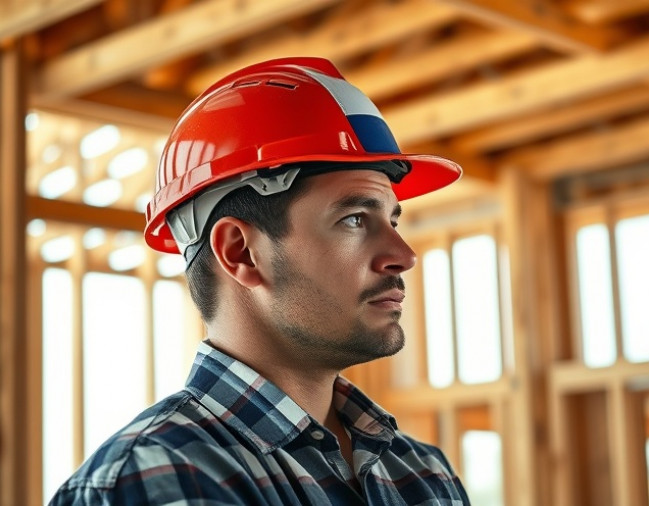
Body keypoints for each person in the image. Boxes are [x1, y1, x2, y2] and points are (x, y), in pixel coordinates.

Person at [50, 57, 470, 505]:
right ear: (241, 252)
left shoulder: (422, 475)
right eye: (353, 219)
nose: (403, 256)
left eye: (392, 220)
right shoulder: (153, 482)